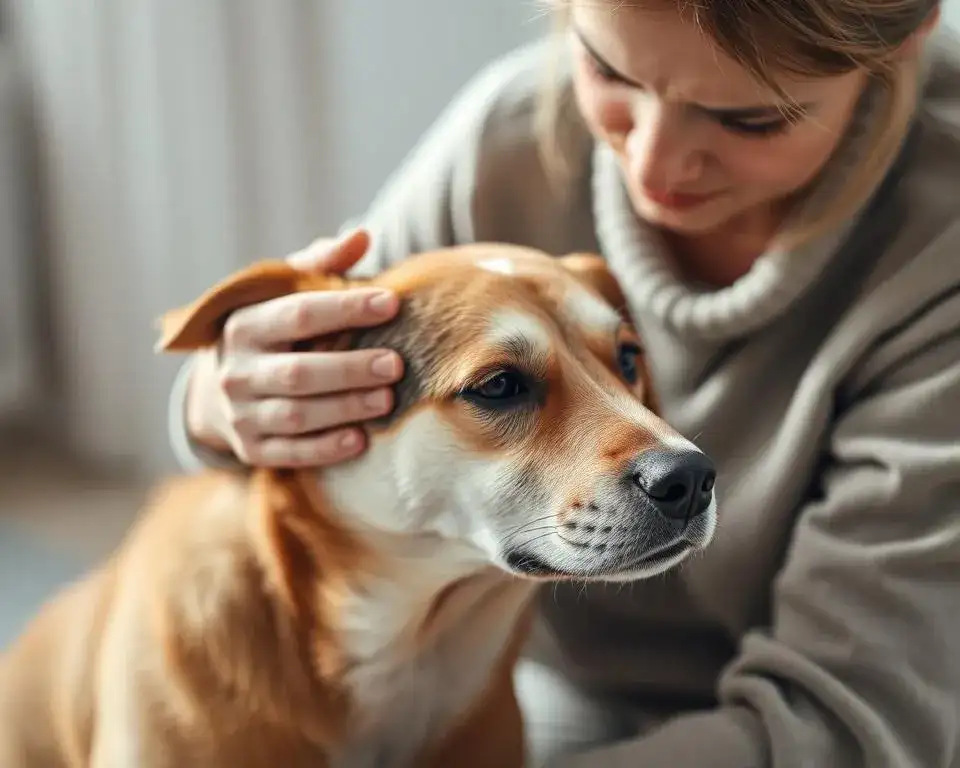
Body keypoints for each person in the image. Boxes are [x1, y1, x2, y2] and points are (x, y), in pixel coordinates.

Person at [167, 1, 960, 765]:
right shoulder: (508, 139)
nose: (651, 163)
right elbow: (329, 400)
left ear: (913, 33)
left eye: (750, 118)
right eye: (610, 71)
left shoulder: (939, 245)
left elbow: (862, 724)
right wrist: (224, 401)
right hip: (539, 678)